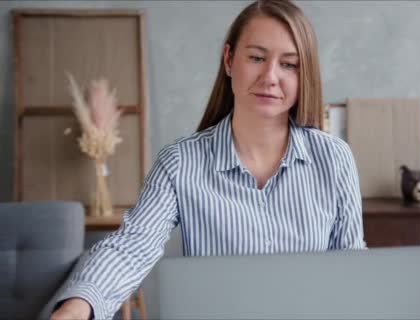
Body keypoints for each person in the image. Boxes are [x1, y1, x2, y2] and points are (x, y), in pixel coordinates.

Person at [51, 0, 366, 318]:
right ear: (229, 60)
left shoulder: (334, 159)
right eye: (256, 58)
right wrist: (80, 304)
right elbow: (132, 245)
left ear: (304, 74)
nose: (271, 76)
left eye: (289, 64)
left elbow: (352, 269)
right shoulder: (179, 163)